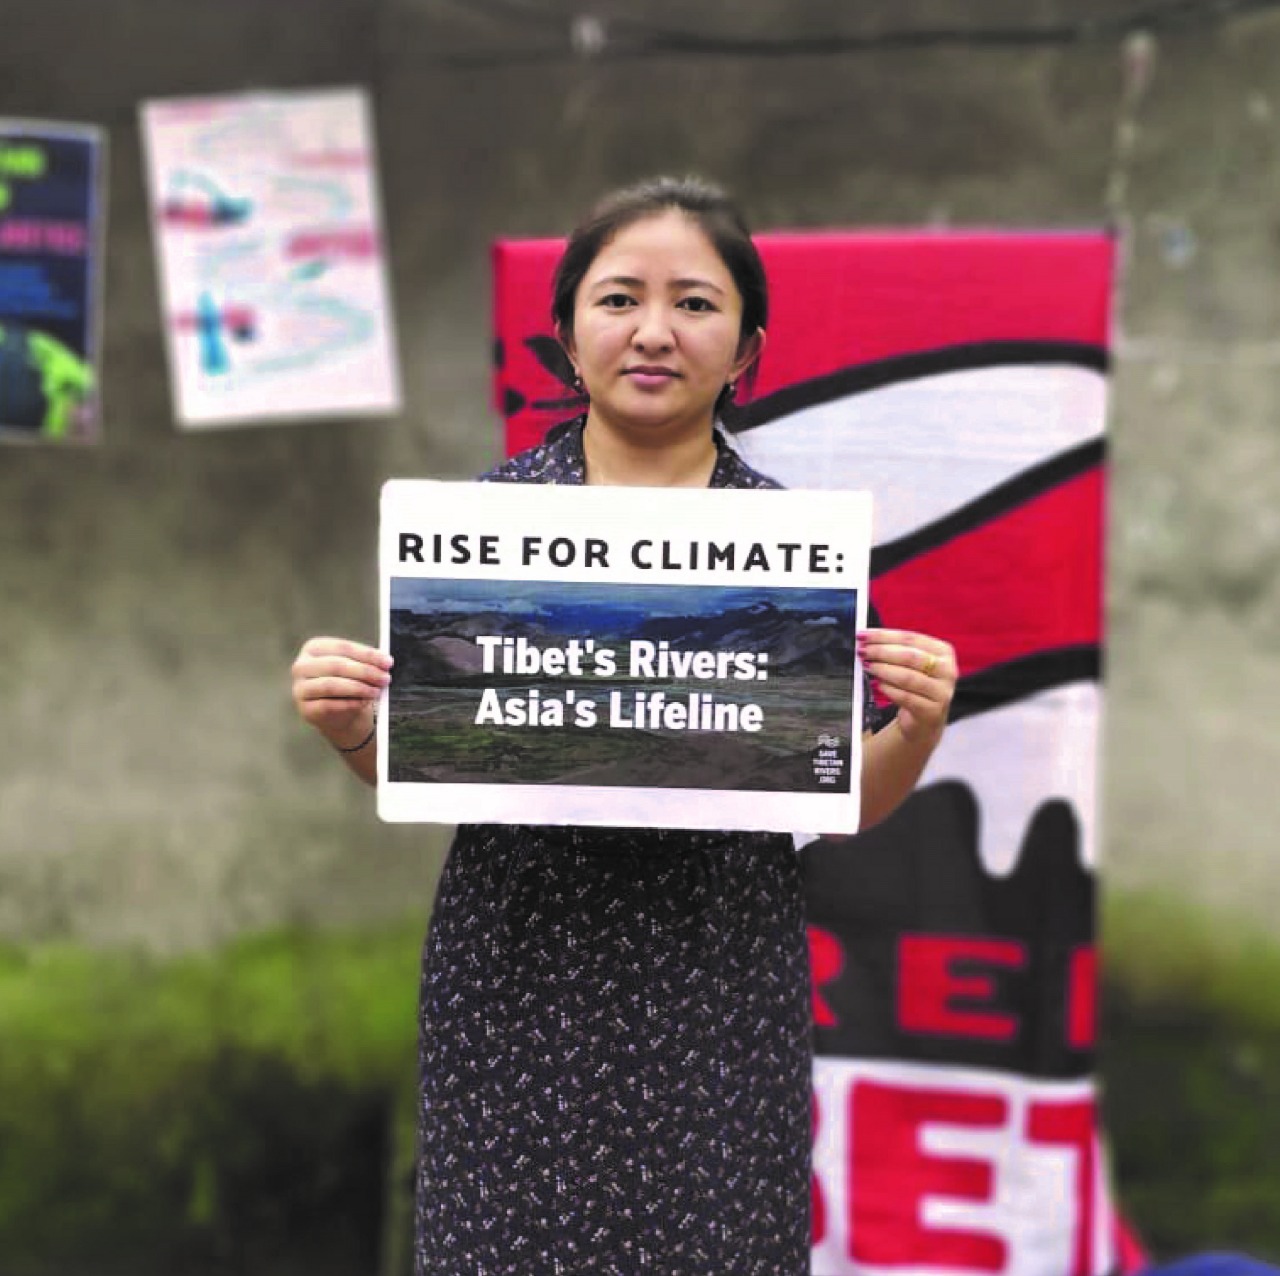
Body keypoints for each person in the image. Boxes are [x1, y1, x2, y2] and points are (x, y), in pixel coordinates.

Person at [291, 176, 958, 1275]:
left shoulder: (798, 550)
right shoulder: (479, 529)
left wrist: (918, 727)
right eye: (618, 299)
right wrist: (353, 729)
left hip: (718, 978)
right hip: (517, 970)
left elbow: (843, 795)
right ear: (565, 334)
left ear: (746, 348)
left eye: (694, 303)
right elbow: (436, 763)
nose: (654, 331)